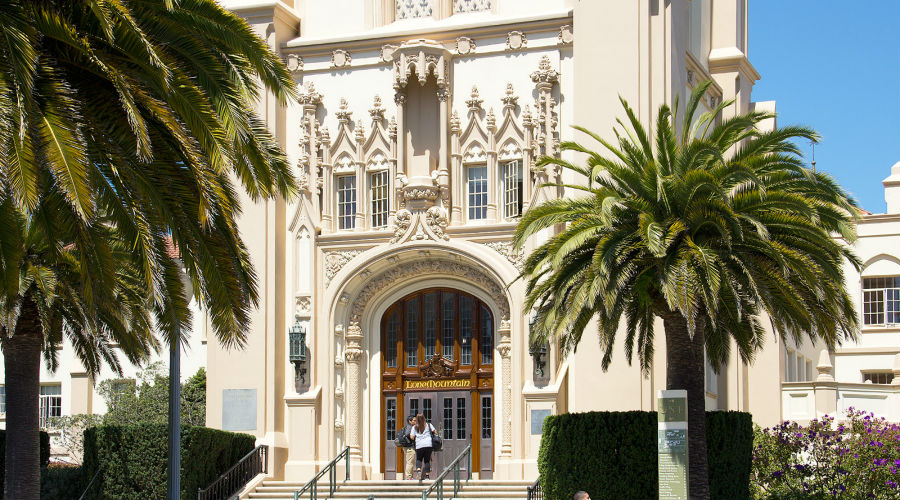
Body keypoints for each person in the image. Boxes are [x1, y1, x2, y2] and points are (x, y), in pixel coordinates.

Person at [409, 413, 436, 480]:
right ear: (424, 418)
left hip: (419, 445)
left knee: (419, 459)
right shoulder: (429, 425)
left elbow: (412, 437)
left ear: (417, 419)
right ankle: (427, 476)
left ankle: (418, 471)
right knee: (427, 460)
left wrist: (416, 438)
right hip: (428, 444)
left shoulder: (414, 427)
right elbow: (435, 432)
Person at [394, 415, 417, 479]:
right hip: (409, 447)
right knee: (410, 462)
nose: (415, 422)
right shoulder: (410, 427)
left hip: (406, 447)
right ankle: (408, 477)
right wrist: (413, 438)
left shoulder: (406, 427)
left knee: (410, 462)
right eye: (414, 420)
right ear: (410, 421)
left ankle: (410, 477)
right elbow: (407, 434)